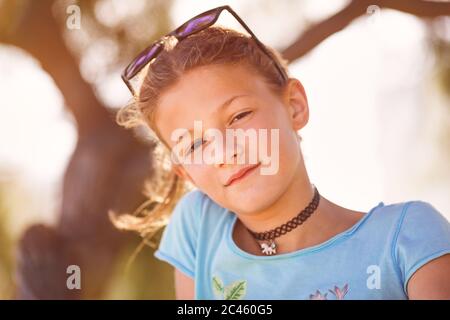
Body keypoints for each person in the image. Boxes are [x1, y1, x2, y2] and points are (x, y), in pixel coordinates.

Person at [113, 6, 450, 300]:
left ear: (294, 106)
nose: (224, 153)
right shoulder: (198, 229)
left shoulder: (407, 239)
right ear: (185, 172)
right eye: (195, 144)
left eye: (239, 116)